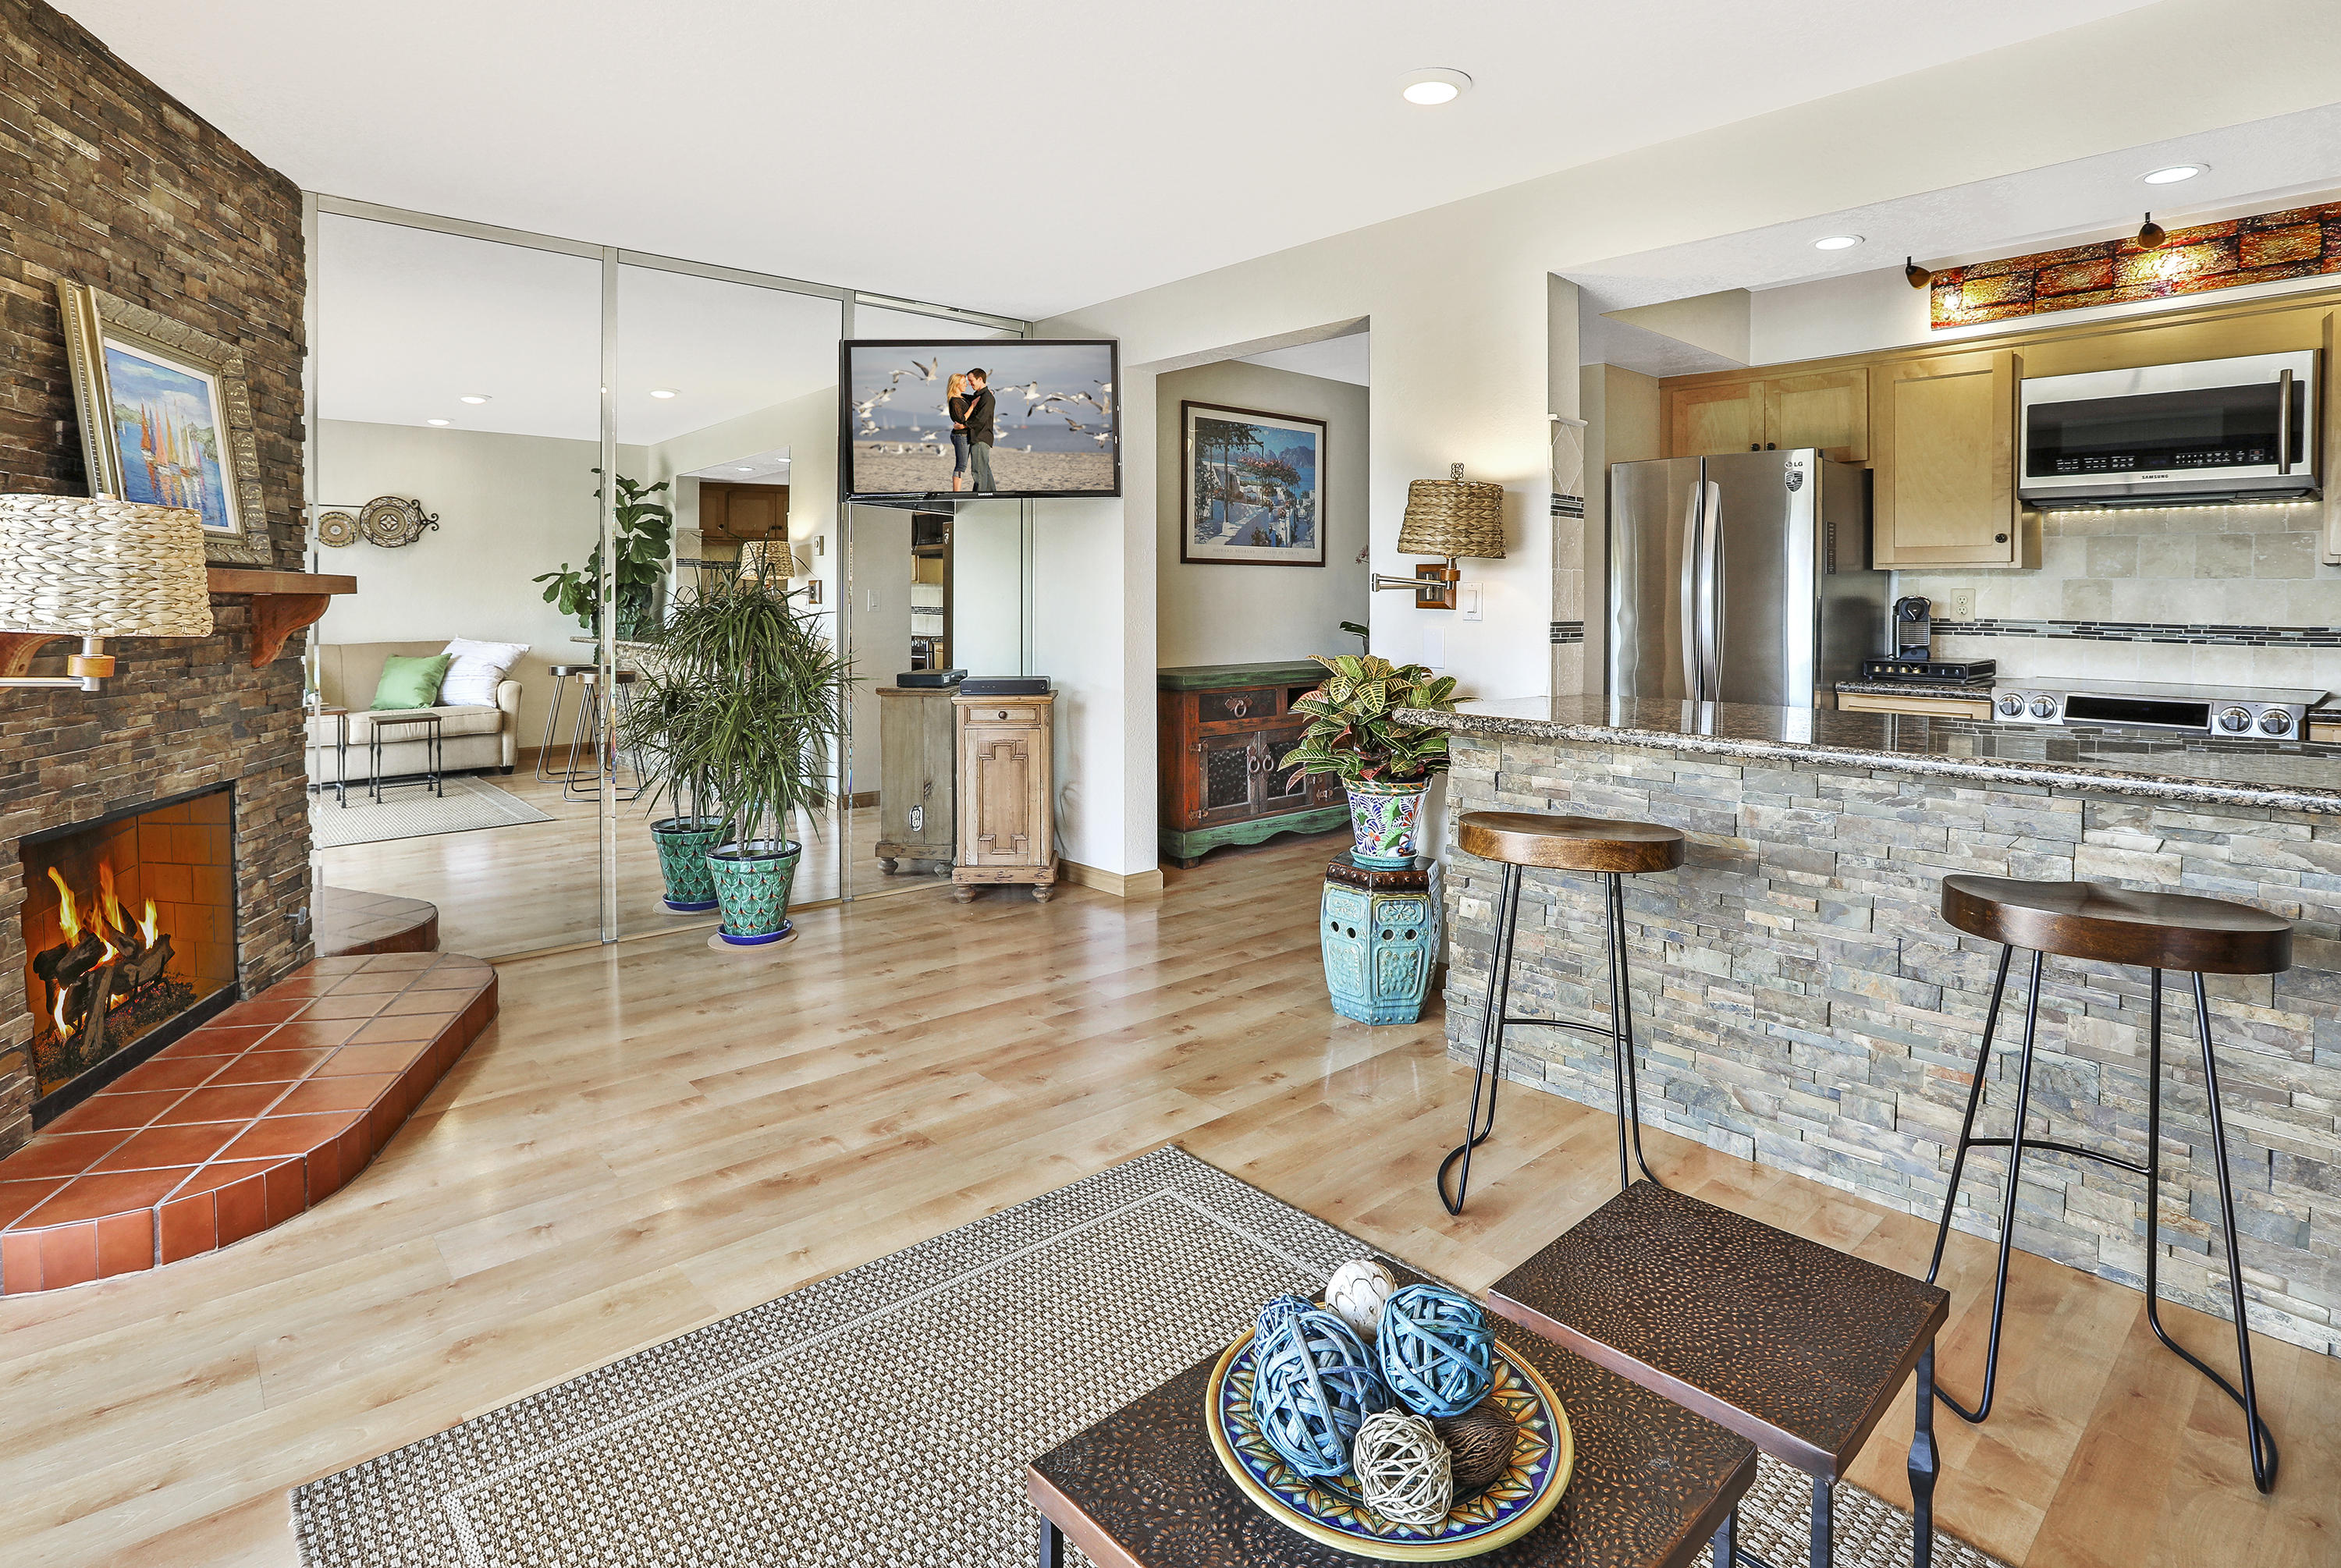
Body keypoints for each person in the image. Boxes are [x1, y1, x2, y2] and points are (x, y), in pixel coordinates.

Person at [963, 368, 996, 494]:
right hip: (981, 437)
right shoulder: (981, 395)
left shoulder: (986, 397)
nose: (970, 384)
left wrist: (963, 425)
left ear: (980, 379)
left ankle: (978, 498)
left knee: (978, 471)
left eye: (971, 381)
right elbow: (971, 399)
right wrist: (956, 394)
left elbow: (980, 420)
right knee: (985, 470)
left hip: (981, 438)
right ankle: (994, 495)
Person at [943, 372, 973, 493]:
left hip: (965, 434)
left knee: (962, 465)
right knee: (961, 465)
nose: (966, 385)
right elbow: (961, 420)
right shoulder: (954, 401)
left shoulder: (963, 397)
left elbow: (977, 398)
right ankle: (956, 493)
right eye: (964, 383)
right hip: (961, 436)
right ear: (956, 384)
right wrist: (972, 408)